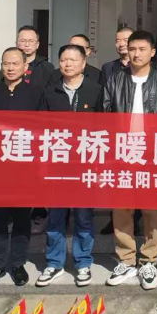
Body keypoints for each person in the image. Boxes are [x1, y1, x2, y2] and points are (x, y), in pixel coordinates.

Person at [103, 30, 157, 290]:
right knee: (122, 207)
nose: (136, 54)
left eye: (142, 49)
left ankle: (149, 260)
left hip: (152, 152)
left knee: (152, 208)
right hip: (122, 151)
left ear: (152, 52)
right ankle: (126, 259)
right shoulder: (115, 80)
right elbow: (104, 116)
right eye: (132, 48)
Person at [37, 43, 104, 287]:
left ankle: (83, 262)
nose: (68, 64)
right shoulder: (50, 92)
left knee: (84, 216)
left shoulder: (96, 90)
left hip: (86, 164)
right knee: (56, 216)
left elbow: (105, 128)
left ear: (83, 63)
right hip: (58, 164)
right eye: (64, 60)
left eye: (73, 60)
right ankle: (54, 263)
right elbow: (41, 128)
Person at [0, 47, 41, 291]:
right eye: (6, 63)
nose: (10, 68)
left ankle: (18, 263)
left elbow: (44, 130)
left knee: (22, 218)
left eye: (15, 63)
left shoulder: (36, 94)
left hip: (25, 166)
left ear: (26, 67)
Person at [0, 25, 54, 90]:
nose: (27, 45)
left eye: (31, 41)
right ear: (16, 43)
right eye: (23, 41)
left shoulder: (46, 67)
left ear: (37, 44)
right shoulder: (9, 67)